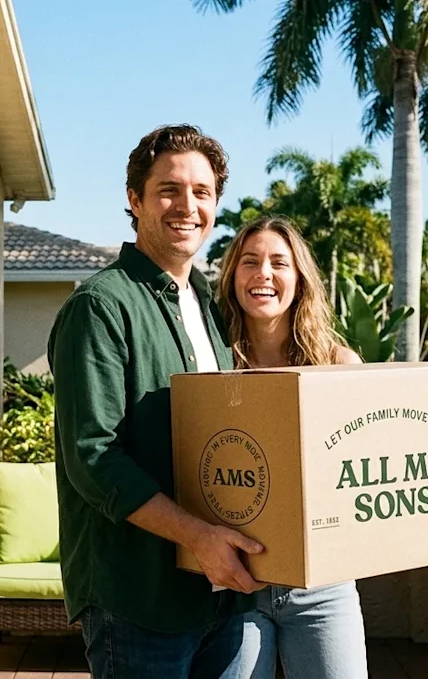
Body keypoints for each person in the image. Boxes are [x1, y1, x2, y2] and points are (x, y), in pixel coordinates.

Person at [47, 124, 266, 679]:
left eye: (201, 192)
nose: (186, 206)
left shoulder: (210, 307)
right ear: (134, 199)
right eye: (168, 189)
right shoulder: (100, 307)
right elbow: (93, 457)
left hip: (222, 594)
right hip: (139, 600)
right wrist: (198, 536)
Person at [216, 215, 369, 679]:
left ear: (299, 279)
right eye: (250, 261)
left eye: (279, 263)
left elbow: (362, 471)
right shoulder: (210, 364)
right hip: (233, 587)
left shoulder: (338, 366)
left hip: (323, 586)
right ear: (232, 277)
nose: (264, 273)